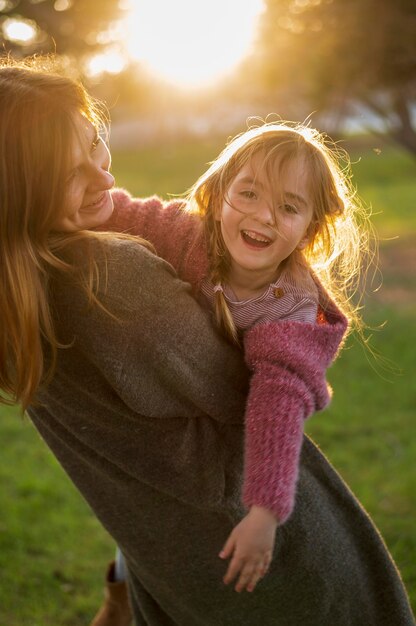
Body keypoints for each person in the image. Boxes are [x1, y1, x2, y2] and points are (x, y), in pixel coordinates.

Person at [0, 57, 414, 626]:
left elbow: (277, 400)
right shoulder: (112, 278)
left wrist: (267, 505)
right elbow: (233, 396)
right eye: (68, 173)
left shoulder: (19, 290)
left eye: (96, 143)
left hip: (198, 542)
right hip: (243, 555)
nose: (103, 179)